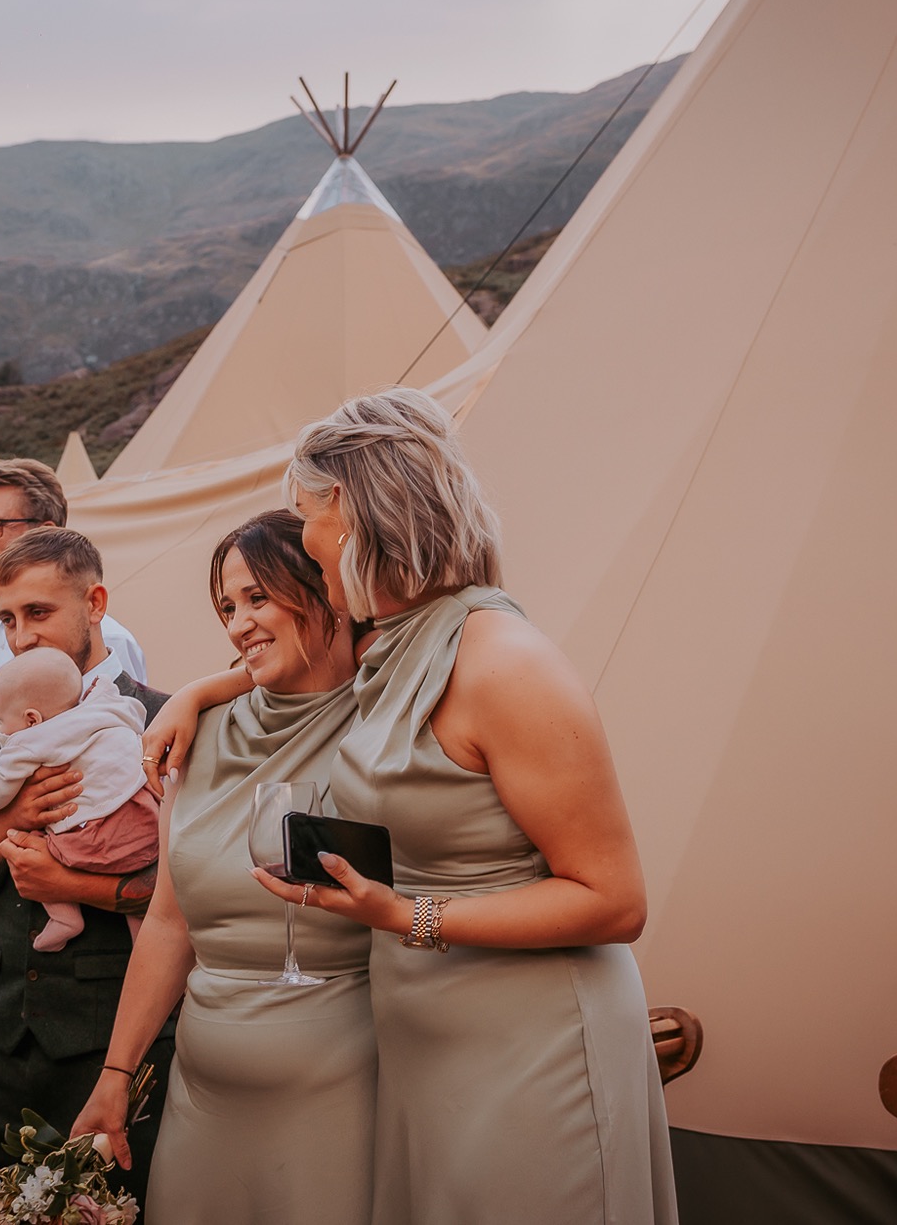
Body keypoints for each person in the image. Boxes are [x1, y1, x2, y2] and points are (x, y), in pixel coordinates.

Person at [149, 388, 678, 1225]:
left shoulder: (504, 663)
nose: (305, 543)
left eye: (307, 517)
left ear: (354, 517)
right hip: (422, 1049)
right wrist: (197, 691)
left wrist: (408, 915)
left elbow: (615, 900)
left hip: (529, 1042)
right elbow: (298, 661)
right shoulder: (393, 644)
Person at [71, 509, 372, 1223]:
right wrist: (117, 1074)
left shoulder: (384, 720)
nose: (239, 623)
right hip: (204, 1093)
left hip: (343, 1089)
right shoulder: (197, 736)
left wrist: (205, 684)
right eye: (227, 607)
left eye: (258, 598)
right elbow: (171, 924)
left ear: (323, 586)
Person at [0, 527, 173, 1210]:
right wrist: (5, 824)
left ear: (94, 602)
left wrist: (71, 886)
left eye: (38, 612)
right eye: (7, 618)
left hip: (112, 1046)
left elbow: (190, 897)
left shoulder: (162, 717)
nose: (19, 635)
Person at [0, 458, 148, 1030]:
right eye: (8, 620)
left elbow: (105, 768)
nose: (22, 637)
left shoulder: (114, 662)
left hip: (88, 974)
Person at [0, 647, 158, 951]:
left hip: (95, 839)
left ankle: (65, 917)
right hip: (146, 819)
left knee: (27, 843)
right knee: (141, 912)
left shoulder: (28, 743)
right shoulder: (104, 703)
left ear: (31, 719)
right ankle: (149, 954)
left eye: (0, 719)